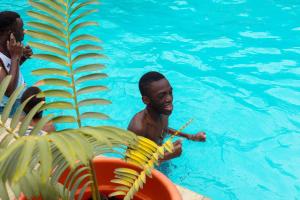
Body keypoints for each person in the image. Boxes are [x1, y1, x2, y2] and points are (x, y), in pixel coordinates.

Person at [128, 71, 206, 161]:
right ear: (146, 100)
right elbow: (132, 165)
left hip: (157, 156)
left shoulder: (162, 112)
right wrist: (167, 156)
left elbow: (163, 129)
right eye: (161, 96)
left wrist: (190, 137)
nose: (169, 99)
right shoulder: (138, 128)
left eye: (170, 92)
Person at [0, 11, 33, 114]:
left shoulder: (7, 49)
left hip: (17, 103)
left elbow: (9, 72)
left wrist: (22, 57)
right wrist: (15, 57)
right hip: (8, 113)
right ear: (10, 33)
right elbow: (9, 91)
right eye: (21, 28)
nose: (24, 31)